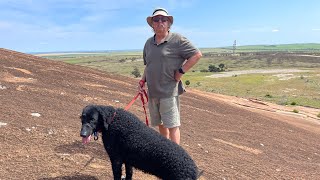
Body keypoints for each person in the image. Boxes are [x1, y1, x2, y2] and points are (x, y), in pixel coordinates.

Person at [139, 7, 202, 145]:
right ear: (152, 24)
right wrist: (143, 79)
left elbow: (196, 55)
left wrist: (181, 71)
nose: (160, 22)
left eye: (164, 19)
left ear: (168, 23)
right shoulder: (149, 43)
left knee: (172, 125)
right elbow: (148, 64)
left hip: (168, 90)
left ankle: (176, 156)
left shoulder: (177, 40)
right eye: (156, 19)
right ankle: (166, 149)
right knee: (161, 123)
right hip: (153, 92)